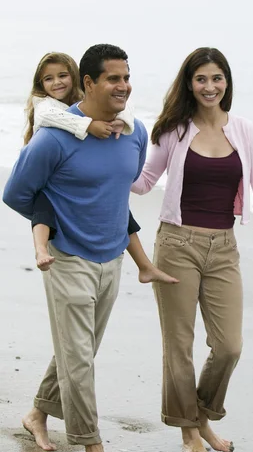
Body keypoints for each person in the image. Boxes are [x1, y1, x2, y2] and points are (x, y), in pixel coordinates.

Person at [131, 47, 253, 452]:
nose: (210, 87)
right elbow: (143, 182)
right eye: (201, 79)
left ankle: (203, 414)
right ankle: (189, 431)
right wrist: (109, 153)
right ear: (189, 84)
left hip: (224, 247)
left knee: (229, 346)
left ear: (227, 82)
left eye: (217, 78)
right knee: (179, 344)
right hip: (177, 244)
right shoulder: (173, 129)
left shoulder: (243, 129)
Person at [3, 43, 148, 452]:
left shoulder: (134, 132)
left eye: (126, 77)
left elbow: (121, 186)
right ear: (88, 83)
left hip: (112, 259)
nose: (123, 86)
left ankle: (37, 414)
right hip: (66, 259)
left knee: (78, 353)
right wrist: (55, 225)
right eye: (113, 78)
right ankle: (92, 447)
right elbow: (16, 193)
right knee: (80, 360)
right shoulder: (53, 138)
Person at [25, 51, 176, 285]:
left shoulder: (83, 102)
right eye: (48, 79)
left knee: (122, 216)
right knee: (43, 212)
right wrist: (90, 125)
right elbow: (17, 191)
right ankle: (41, 250)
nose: (57, 83)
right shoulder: (45, 106)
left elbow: (126, 102)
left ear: (77, 79)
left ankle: (145, 266)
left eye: (63, 75)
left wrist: (123, 119)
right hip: (49, 184)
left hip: (106, 250)